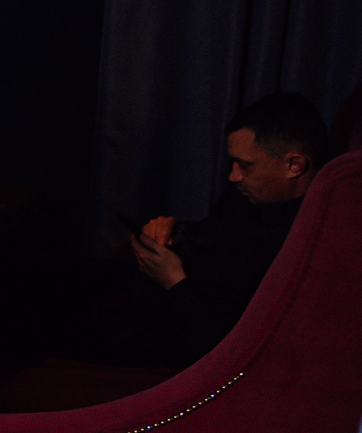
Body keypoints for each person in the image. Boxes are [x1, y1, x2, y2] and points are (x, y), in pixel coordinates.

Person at [120, 92, 327, 363]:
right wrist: (175, 234)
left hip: (164, 344)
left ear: (294, 165)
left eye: (246, 165)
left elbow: (225, 347)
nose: (233, 176)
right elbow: (212, 236)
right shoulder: (249, 197)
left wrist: (173, 279)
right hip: (138, 303)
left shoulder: (303, 240)